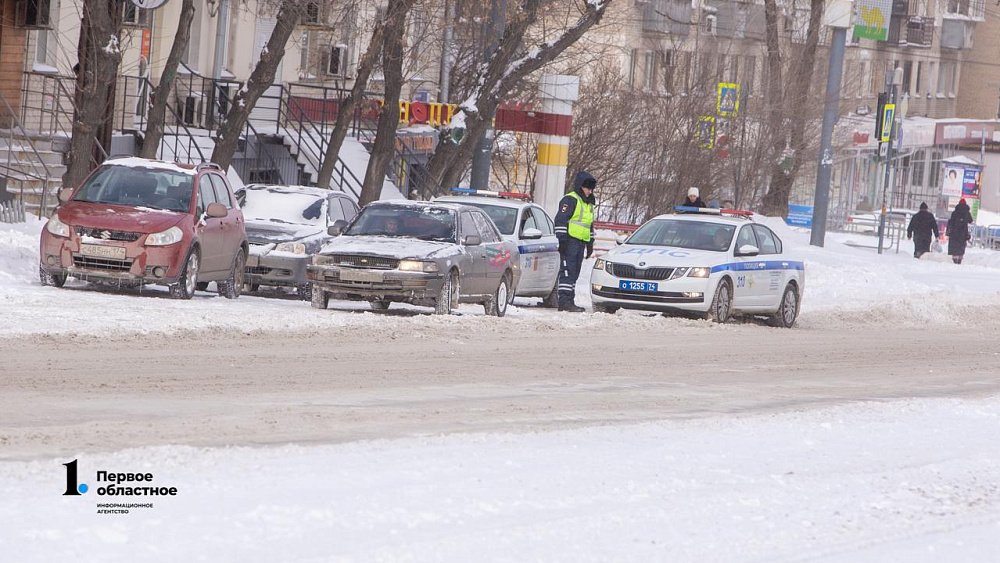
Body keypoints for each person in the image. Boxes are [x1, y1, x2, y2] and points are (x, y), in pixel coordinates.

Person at [554, 171, 596, 312]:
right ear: (580, 186)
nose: (590, 191)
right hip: (570, 241)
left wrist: (590, 243)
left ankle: (569, 301)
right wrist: (562, 240)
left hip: (581, 243)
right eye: (587, 188)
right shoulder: (570, 199)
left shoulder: (588, 204)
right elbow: (560, 220)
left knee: (575, 272)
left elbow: (589, 225)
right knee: (567, 271)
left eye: (591, 188)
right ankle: (564, 302)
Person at [946, 198, 974, 264]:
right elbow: (970, 221)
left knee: (955, 245)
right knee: (961, 245)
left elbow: (951, 222)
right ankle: (960, 258)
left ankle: (955, 258)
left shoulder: (954, 212)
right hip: (963, 232)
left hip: (954, 232)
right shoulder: (967, 213)